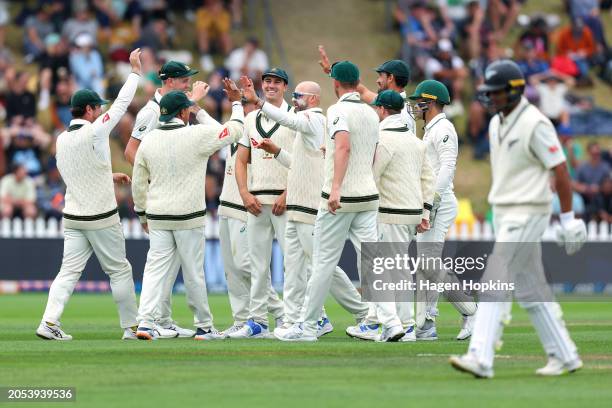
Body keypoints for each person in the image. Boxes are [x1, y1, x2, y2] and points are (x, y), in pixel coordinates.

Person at [450, 59, 586, 378]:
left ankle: (480, 357)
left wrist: (567, 218)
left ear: (514, 91)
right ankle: (565, 356)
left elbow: (560, 169)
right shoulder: (497, 123)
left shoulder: (536, 123)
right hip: (507, 211)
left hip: (529, 210)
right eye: (489, 92)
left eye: (497, 93)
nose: (492, 98)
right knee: (530, 288)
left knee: (494, 279)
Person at [274, 61, 404, 342]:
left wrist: (335, 188)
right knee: (373, 262)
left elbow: (344, 146)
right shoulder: (371, 113)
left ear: (335, 84)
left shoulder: (337, 110)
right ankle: (392, 323)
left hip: (341, 199)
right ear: (356, 83)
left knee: (322, 263)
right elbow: (367, 151)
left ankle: (307, 327)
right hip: (368, 196)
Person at [241, 76, 370, 335]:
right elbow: (298, 164)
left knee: (323, 267)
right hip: (296, 208)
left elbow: (287, 119)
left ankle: (362, 312)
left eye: (298, 96)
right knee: (294, 269)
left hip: (310, 206)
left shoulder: (314, 120)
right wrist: (277, 151)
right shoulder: (308, 126)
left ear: (312, 99)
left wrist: (258, 101)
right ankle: (292, 320)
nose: (294, 100)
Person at [36, 48, 143, 341]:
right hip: (101, 216)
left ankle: (48, 322)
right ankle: (131, 328)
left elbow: (77, 172)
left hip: (73, 217)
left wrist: (108, 175)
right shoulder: (94, 132)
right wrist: (134, 73)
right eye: (97, 108)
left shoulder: (61, 139)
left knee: (68, 272)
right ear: (89, 110)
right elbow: (121, 106)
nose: (99, 112)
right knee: (120, 271)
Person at [132, 82, 245, 341]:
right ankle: (204, 326)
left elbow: (139, 182)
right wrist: (236, 104)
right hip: (188, 216)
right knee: (193, 272)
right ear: (183, 113)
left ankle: (146, 322)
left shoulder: (148, 140)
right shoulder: (195, 134)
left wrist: (141, 213)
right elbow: (235, 131)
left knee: (154, 270)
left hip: (158, 215)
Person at [124, 60, 214, 339]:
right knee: (172, 267)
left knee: (164, 266)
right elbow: (132, 152)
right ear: (170, 81)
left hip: (164, 206)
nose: (188, 83)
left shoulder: (176, 109)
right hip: (169, 202)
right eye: (184, 79)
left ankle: (158, 319)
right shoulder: (151, 112)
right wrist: (160, 183)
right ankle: (161, 320)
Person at [345, 90, 434, 342]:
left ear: (383, 110)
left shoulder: (383, 139)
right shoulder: (417, 142)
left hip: (389, 212)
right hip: (411, 213)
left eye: (376, 109)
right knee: (396, 268)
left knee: (391, 271)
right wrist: (425, 212)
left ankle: (404, 326)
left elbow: (372, 175)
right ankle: (376, 322)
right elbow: (428, 179)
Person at [408, 79, 477, 341]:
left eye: (419, 101)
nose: (416, 106)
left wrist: (429, 204)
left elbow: (447, 168)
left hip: (439, 202)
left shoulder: (444, 128)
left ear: (431, 102)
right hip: (430, 202)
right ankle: (426, 323)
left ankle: (470, 310)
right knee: (426, 265)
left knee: (428, 263)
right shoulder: (430, 130)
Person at [230, 68, 295, 339]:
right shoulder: (250, 119)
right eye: (267, 81)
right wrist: (244, 194)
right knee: (257, 265)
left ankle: (294, 319)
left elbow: (305, 162)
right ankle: (257, 320)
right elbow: (240, 160)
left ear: (285, 87)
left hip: (286, 201)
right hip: (256, 200)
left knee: (292, 263)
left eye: (276, 82)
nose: (271, 86)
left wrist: (288, 193)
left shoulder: (295, 117)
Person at [216, 100, 286, 338]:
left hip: (249, 205)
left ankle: (284, 312)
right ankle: (244, 319)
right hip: (229, 204)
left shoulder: (261, 131)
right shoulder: (236, 131)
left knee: (311, 261)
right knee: (234, 270)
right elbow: (213, 127)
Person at [318, 46, 416, 134]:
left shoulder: (400, 112)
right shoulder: (392, 102)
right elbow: (362, 91)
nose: (377, 81)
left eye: (381, 76)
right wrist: (334, 72)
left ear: (390, 78)